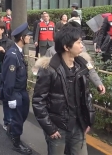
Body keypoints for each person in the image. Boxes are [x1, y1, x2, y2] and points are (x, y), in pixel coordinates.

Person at [32, 26, 95, 155]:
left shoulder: (82, 66)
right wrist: (50, 128)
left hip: (78, 126)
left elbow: (86, 96)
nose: (82, 46)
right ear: (67, 47)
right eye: (78, 42)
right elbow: (38, 101)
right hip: (58, 128)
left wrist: (87, 120)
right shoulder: (49, 69)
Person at [43, 22, 106, 94]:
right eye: (78, 42)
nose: (81, 45)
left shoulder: (82, 53)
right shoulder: (51, 52)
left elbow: (90, 68)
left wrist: (98, 83)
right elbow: (43, 88)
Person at [0, 22, 33, 155]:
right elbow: (8, 79)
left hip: (22, 91)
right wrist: (10, 97)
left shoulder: (18, 51)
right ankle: (16, 143)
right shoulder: (12, 55)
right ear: (21, 38)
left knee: (23, 115)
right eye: (27, 36)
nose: (29, 38)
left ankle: (11, 129)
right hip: (16, 93)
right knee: (18, 118)